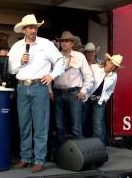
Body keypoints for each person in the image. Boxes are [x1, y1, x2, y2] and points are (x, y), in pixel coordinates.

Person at [9, 14, 65, 172]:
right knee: (24, 124)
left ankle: (39, 159)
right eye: (30, 27)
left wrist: (52, 75)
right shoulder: (16, 47)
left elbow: (61, 60)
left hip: (39, 86)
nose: (33, 30)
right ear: (24, 30)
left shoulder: (46, 44)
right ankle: (25, 157)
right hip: (21, 86)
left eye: (35, 27)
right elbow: (10, 69)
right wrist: (21, 61)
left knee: (40, 125)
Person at [53, 31, 94, 145]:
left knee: (76, 125)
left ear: (72, 43)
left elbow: (89, 76)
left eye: (67, 41)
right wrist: (49, 91)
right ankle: (63, 154)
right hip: (58, 93)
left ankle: (79, 156)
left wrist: (83, 91)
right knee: (59, 125)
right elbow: (48, 74)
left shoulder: (79, 56)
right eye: (62, 41)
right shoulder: (55, 56)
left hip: (74, 93)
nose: (64, 43)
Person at [84, 53, 122, 144]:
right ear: (107, 61)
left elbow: (111, 90)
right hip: (86, 98)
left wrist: (104, 98)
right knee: (83, 120)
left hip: (99, 101)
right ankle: (83, 143)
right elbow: (85, 79)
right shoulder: (94, 67)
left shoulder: (114, 75)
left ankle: (99, 146)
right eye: (111, 63)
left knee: (98, 123)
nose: (112, 66)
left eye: (115, 66)